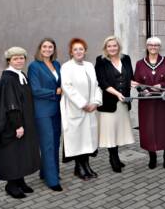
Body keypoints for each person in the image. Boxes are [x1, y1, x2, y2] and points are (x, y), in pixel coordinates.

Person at [0, 47, 40, 199]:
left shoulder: (20, 75)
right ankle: (11, 185)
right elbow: (11, 105)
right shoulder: (8, 79)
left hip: (24, 122)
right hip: (12, 125)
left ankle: (20, 180)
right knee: (12, 153)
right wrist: (18, 125)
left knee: (21, 152)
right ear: (9, 61)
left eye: (22, 58)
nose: (19, 61)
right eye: (15, 58)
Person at [60, 38, 102, 181]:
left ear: (85, 51)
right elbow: (67, 87)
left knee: (87, 140)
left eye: (81, 49)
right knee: (78, 140)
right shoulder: (66, 67)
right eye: (75, 49)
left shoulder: (89, 66)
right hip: (76, 109)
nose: (78, 51)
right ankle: (79, 168)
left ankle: (87, 166)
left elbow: (96, 85)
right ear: (71, 52)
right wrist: (83, 104)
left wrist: (96, 102)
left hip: (90, 110)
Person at [134, 37, 165, 169]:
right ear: (147, 47)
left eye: (156, 45)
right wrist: (143, 89)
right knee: (149, 129)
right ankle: (152, 157)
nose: (153, 47)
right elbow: (136, 82)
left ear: (160, 47)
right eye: (150, 45)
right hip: (147, 102)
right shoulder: (140, 63)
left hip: (163, 101)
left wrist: (161, 84)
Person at [95, 36, 135, 173]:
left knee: (118, 130)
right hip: (109, 103)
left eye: (114, 45)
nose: (112, 48)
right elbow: (102, 82)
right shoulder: (100, 61)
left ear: (119, 47)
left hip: (123, 103)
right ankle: (113, 158)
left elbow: (130, 77)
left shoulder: (126, 58)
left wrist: (136, 85)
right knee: (110, 132)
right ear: (105, 48)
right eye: (109, 46)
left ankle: (116, 156)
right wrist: (117, 94)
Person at [28, 38, 62, 192]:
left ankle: (47, 172)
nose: (48, 49)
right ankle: (52, 180)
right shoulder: (34, 66)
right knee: (47, 144)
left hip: (57, 110)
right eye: (45, 46)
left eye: (50, 47)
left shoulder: (56, 64)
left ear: (54, 49)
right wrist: (54, 92)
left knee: (55, 143)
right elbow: (34, 90)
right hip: (42, 111)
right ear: (40, 49)